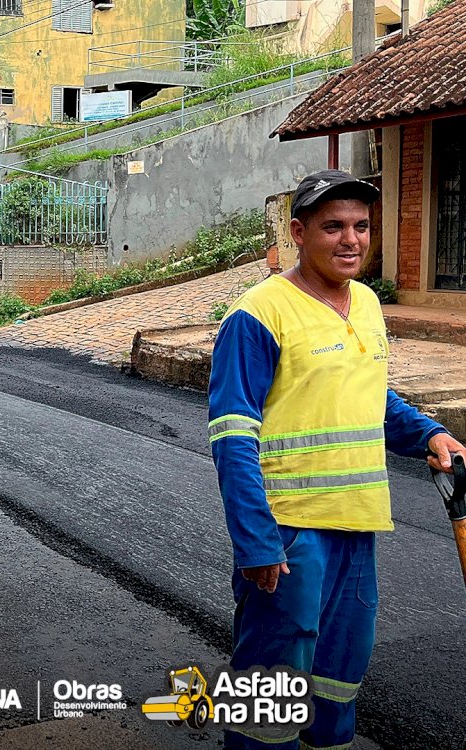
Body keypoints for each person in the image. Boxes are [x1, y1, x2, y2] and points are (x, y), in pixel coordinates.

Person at [208, 169, 465, 750]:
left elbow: (371, 397)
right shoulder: (259, 315)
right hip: (291, 530)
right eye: (332, 227)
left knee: (338, 674)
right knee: (272, 683)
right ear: (298, 232)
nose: (350, 240)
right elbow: (231, 437)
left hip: (357, 525)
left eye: (361, 226)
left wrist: (429, 434)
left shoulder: (369, 304)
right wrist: (256, 540)